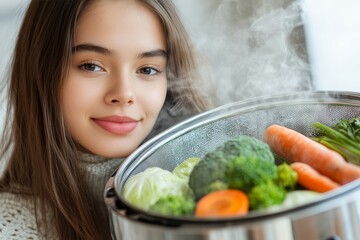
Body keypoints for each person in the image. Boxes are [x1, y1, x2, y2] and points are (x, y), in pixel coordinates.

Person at [0, 0, 217, 239]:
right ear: (41, 70)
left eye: (147, 70)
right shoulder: (11, 229)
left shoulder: (213, 190)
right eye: (91, 66)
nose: (124, 94)